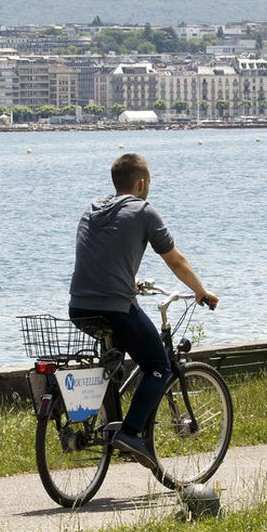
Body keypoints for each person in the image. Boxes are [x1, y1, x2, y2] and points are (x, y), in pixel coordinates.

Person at [68, 153, 218, 468]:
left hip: (79, 307)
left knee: (117, 355)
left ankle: (108, 396)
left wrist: (129, 280)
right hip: (115, 308)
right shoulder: (144, 211)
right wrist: (200, 291)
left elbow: (100, 256)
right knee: (159, 367)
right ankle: (131, 433)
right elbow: (175, 259)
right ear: (141, 183)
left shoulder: (91, 210)